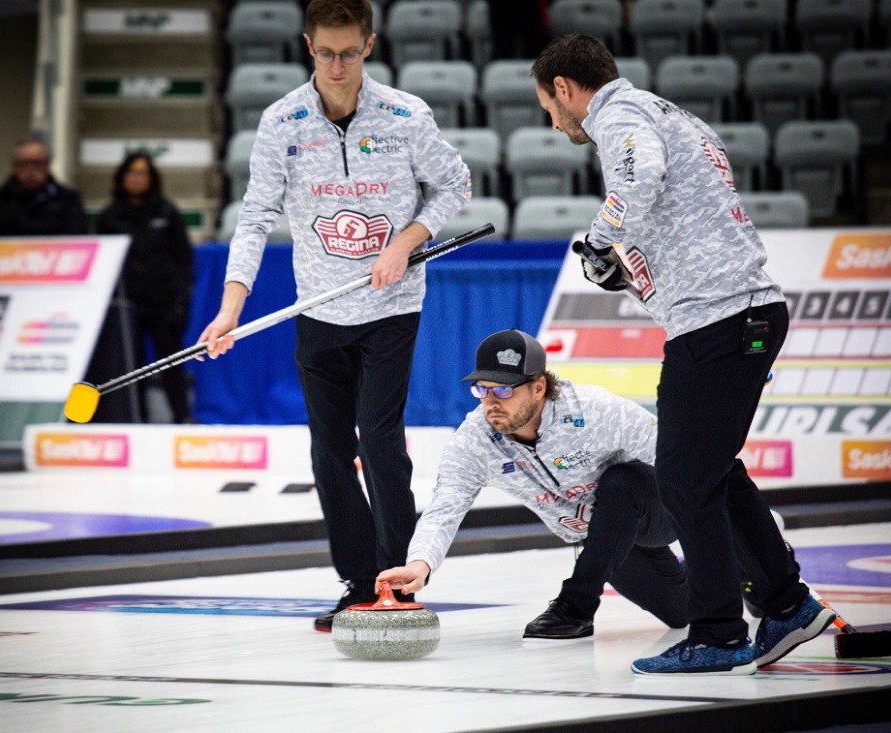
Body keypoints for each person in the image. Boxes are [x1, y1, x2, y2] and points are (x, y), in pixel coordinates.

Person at [530, 33, 835, 674]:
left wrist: (598, 240)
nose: (551, 123)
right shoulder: (668, 112)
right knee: (710, 470)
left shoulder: (617, 115)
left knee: (684, 480)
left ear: (564, 88)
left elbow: (641, 178)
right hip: (735, 310)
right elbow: (681, 210)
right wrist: (627, 266)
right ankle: (787, 605)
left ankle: (719, 633)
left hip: (720, 318)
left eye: (548, 107)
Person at [197, 0, 471, 632]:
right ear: (307, 46)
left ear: (369, 45)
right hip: (317, 308)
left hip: (391, 306)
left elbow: (455, 184)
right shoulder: (281, 120)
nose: (338, 65)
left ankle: (397, 581)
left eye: (350, 51)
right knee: (328, 451)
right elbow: (257, 214)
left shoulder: (406, 115)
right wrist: (229, 308)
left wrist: (406, 241)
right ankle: (355, 584)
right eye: (326, 52)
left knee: (379, 441)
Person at [378, 328, 688, 640]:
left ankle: (574, 606)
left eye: (503, 391)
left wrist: (719, 537)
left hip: (653, 509)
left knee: (622, 481)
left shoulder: (596, 410)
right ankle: (700, 577)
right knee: (681, 612)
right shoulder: (474, 442)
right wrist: (420, 564)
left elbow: (680, 463)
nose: (491, 402)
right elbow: (445, 507)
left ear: (538, 387)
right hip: (599, 539)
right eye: (482, 390)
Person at [96, 152, 195, 424]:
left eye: (143, 173)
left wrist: (181, 303)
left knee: (172, 363)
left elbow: (184, 260)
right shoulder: (109, 217)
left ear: (152, 179)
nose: (137, 179)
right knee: (130, 365)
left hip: (164, 303)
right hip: (127, 307)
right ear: (121, 178)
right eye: (132, 173)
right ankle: (135, 419)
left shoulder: (166, 212)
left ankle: (182, 416)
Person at [0, 135, 90, 236]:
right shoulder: (0, 201)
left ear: (47, 165)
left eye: (37, 163)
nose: (30, 170)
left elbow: (78, 238)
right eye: (24, 163)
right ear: (14, 167)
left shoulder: (68, 200)